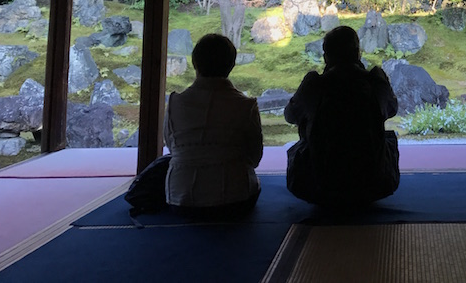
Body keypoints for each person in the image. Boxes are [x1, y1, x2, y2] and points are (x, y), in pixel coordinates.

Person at [285, 25, 400, 207]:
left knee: (301, 143)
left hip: (320, 185)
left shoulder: (316, 84)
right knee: (388, 139)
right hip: (374, 184)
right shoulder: (373, 81)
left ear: (326, 56)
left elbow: (290, 115)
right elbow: (392, 109)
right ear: (357, 52)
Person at [164, 33, 263, 218]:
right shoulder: (245, 105)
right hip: (235, 199)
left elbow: (172, 147)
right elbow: (254, 157)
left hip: (180, 199)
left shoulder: (175, 102)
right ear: (231, 65)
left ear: (195, 63)